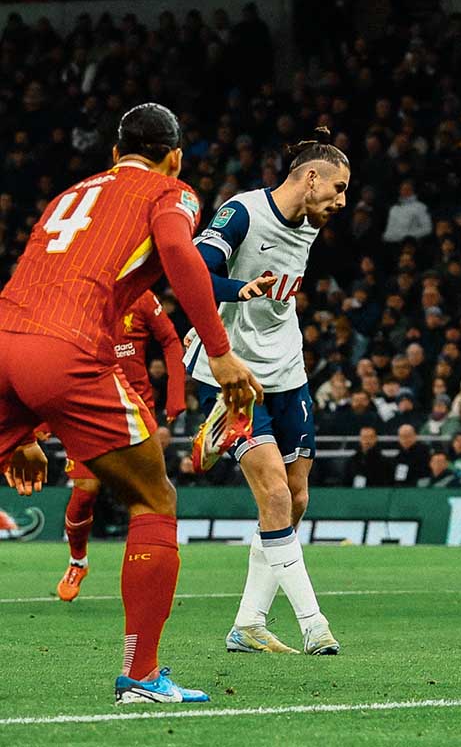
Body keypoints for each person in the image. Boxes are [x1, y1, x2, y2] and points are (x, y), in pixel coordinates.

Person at [0, 102, 260, 704]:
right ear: (174, 156)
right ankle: (141, 676)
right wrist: (218, 353)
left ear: (115, 153)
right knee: (154, 496)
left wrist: (21, 433)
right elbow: (179, 253)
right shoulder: (171, 190)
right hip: (67, 351)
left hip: (8, 342)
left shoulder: (70, 194)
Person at [184, 127, 347, 657]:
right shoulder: (242, 213)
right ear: (312, 178)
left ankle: (248, 622)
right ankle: (313, 623)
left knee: (296, 500)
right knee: (274, 495)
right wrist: (238, 288)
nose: (341, 201)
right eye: (338, 188)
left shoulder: (310, 221)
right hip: (234, 374)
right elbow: (194, 273)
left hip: (288, 370)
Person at [56, 290, 187, 602]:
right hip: (89, 408)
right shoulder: (83, 296)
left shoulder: (142, 297)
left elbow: (170, 340)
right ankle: (78, 561)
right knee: (85, 492)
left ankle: (154, 571)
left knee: (149, 495)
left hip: (135, 409)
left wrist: (175, 395)